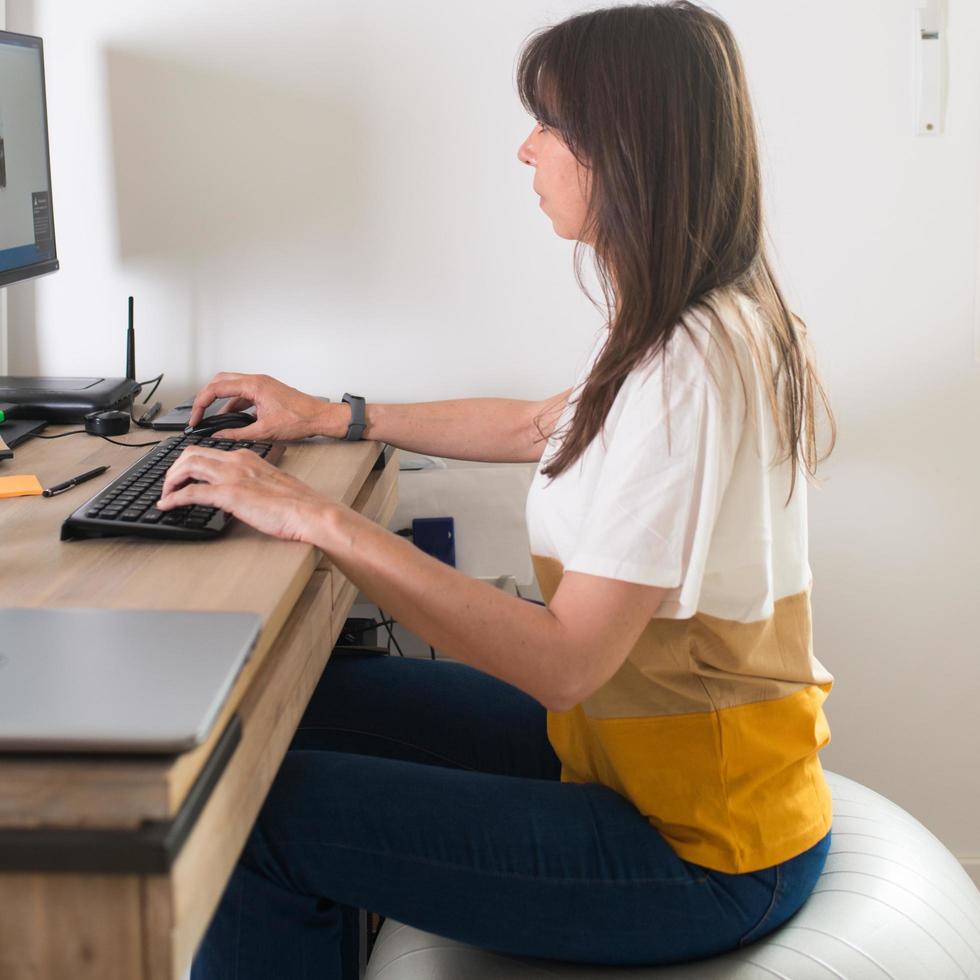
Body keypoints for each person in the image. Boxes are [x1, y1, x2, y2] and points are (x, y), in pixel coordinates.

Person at [167, 3, 838, 976]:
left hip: (703, 849)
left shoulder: (681, 371)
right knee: (303, 702)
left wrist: (314, 515)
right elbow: (537, 424)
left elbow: (564, 662)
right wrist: (330, 416)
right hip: (623, 761)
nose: (525, 150)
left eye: (550, 126)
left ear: (625, 147)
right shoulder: (688, 321)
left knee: (256, 820)